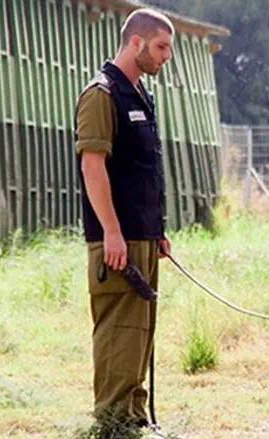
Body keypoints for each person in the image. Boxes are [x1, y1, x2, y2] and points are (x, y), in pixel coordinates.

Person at [74, 8, 174, 432]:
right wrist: (112, 232)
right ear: (136, 43)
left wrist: (157, 232)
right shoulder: (102, 94)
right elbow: (93, 166)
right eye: (161, 47)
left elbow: (141, 171)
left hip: (143, 237)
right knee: (119, 329)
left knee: (138, 331)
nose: (166, 57)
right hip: (116, 239)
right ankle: (112, 423)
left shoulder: (140, 95)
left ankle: (132, 418)